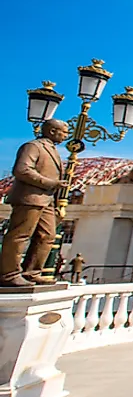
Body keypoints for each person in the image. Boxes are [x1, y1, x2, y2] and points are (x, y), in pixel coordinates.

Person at [1, 119, 68, 286]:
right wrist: (50, 183)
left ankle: (32, 272)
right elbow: (22, 170)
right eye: (63, 132)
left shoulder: (53, 150)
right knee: (20, 235)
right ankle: (9, 274)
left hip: (46, 200)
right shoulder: (33, 146)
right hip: (30, 197)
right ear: (52, 131)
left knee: (48, 236)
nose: (66, 136)